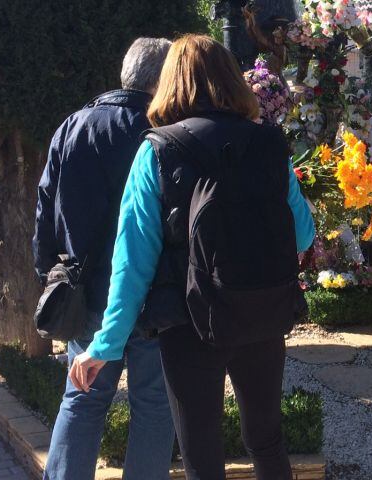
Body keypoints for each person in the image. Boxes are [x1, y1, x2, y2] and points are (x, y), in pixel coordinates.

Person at [70, 34, 315, 480]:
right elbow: (302, 233)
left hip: (189, 322)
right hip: (262, 311)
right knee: (266, 439)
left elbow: (133, 265)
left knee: (201, 453)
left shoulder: (158, 151)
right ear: (231, 79)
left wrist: (103, 347)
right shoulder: (268, 144)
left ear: (171, 82)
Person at [33, 38, 175, 480]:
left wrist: (49, 276)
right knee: (154, 406)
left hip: (88, 291)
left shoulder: (72, 126)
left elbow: (45, 208)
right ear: (161, 79)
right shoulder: (167, 132)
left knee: (82, 400)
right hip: (154, 294)